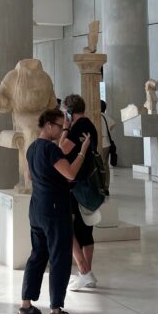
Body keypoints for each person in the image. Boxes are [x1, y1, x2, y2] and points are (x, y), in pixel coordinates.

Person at [19, 107, 90, 314]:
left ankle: (26, 305)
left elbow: (29, 176)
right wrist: (82, 152)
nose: (62, 131)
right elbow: (70, 173)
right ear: (48, 125)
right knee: (59, 257)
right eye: (60, 126)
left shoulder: (32, 148)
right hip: (55, 208)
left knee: (37, 255)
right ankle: (56, 310)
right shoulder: (51, 149)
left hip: (37, 208)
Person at [62, 93, 100, 291]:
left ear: (69, 111)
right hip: (89, 185)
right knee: (86, 229)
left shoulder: (77, 127)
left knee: (67, 227)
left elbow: (61, 149)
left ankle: (84, 270)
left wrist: (66, 128)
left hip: (76, 185)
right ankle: (86, 274)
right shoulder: (90, 125)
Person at [99, 99, 115, 193]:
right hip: (107, 143)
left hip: (100, 143)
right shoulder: (105, 116)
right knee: (105, 165)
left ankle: (100, 186)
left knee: (99, 165)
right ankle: (106, 187)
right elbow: (113, 125)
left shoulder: (98, 116)